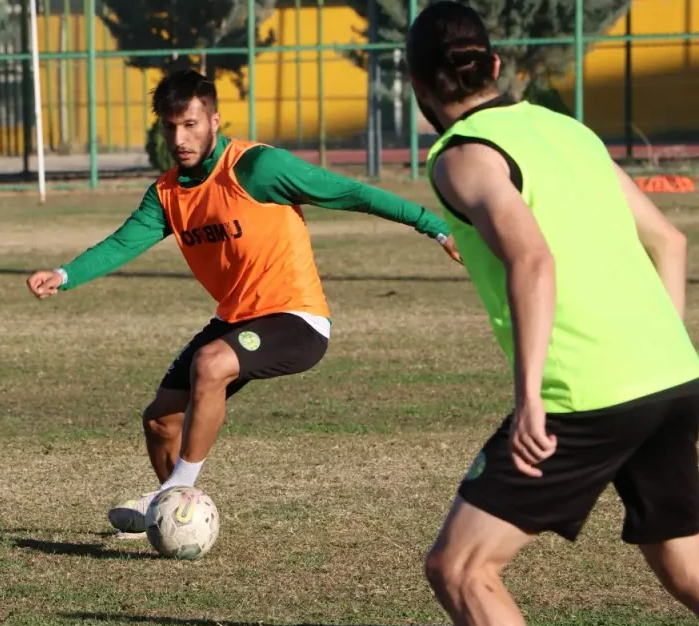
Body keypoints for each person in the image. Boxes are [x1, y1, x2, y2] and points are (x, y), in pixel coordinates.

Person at [410, 0, 699, 626]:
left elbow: (531, 260)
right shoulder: (567, 129)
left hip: (585, 389)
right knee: (685, 565)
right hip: (670, 373)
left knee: (461, 567)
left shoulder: (461, 154)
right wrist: (660, 352)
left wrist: (531, 394)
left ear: (414, 85)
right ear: (497, 67)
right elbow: (668, 240)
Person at [26, 68, 461, 533]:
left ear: (214, 120)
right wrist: (65, 274)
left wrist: (431, 224)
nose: (180, 136)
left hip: (297, 318)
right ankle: (175, 521)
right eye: (171, 126)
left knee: (211, 363)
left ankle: (175, 495)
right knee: (160, 421)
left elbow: (350, 192)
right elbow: (121, 243)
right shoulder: (168, 193)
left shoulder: (256, 168)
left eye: (190, 123)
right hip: (235, 320)